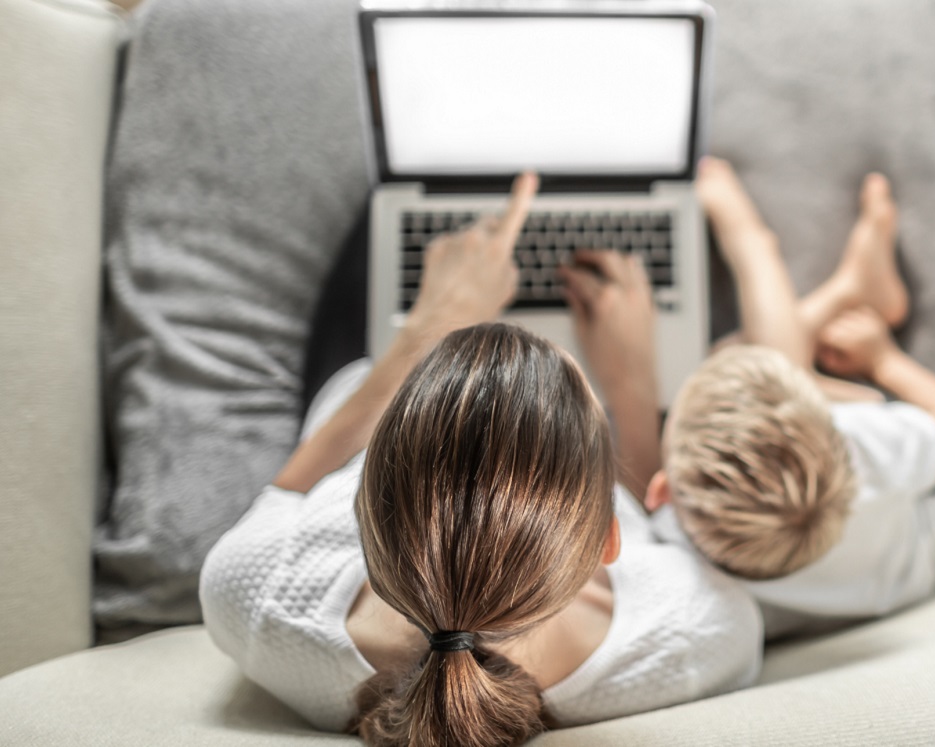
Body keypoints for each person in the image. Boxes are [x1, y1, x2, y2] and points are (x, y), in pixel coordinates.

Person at [198, 173, 762, 747]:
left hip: (360, 386)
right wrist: (633, 385)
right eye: (583, 390)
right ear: (607, 542)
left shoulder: (250, 595)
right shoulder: (701, 629)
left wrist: (429, 327)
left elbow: (286, 497)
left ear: (357, 508)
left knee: (386, 202)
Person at [561, 158, 935, 639]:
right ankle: (769, 252)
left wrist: (628, 385)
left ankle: (845, 291)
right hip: (928, 517)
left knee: (732, 352)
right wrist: (884, 360)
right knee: (743, 356)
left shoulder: (684, 564)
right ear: (832, 431)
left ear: (662, 491)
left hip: (870, 534)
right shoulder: (857, 452)